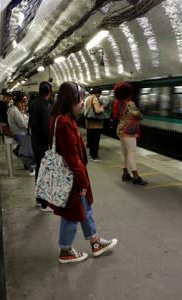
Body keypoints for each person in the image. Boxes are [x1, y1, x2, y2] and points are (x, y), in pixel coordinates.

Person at [47, 81, 118, 263]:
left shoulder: (58, 118)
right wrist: (82, 182)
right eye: (80, 101)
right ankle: (65, 251)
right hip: (71, 177)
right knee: (72, 212)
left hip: (69, 175)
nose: (81, 104)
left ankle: (95, 241)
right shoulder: (64, 122)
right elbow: (71, 156)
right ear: (71, 100)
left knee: (83, 207)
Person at [113, 81, 147, 185]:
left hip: (120, 130)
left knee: (124, 153)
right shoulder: (130, 104)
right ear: (127, 93)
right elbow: (140, 116)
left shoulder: (117, 103)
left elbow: (116, 116)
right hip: (129, 132)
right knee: (132, 154)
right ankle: (136, 176)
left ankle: (125, 173)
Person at [28, 81, 53, 211]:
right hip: (42, 143)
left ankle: (39, 199)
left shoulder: (33, 102)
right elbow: (46, 127)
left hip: (35, 141)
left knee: (39, 169)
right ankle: (44, 203)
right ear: (49, 92)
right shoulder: (44, 105)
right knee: (44, 171)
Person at [8, 94, 35, 175]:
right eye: (23, 103)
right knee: (30, 149)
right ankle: (31, 168)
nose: (24, 105)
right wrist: (27, 121)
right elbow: (23, 124)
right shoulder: (15, 111)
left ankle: (18, 150)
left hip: (17, 132)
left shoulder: (13, 109)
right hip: (19, 133)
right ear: (19, 103)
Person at [85, 87, 107, 160]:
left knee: (91, 140)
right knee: (95, 140)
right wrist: (103, 107)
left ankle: (91, 155)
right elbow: (97, 111)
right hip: (96, 124)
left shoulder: (88, 98)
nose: (100, 95)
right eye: (100, 93)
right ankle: (94, 156)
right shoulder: (94, 98)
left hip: (90, 122)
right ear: (98, 93)